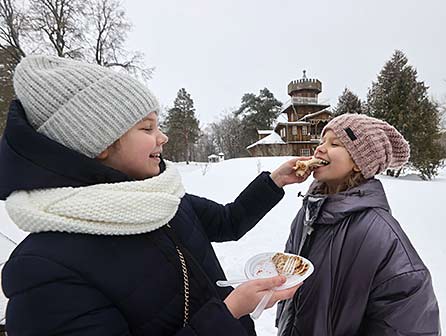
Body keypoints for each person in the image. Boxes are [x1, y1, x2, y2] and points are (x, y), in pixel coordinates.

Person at [0, 55, 309, 336]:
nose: (163, 137)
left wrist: (275, 181)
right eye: (147, 128)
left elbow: (228, 221)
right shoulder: (42, 271)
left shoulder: (163, 200)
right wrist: (228, 313)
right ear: (99, 143)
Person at [276, 114, 441, 335]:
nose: (320, 149)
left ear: (358, 162)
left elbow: (410, 322)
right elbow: (291, 272)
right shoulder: (307, 214)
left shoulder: (380, 234)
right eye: (321, 142)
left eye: (335, 144)